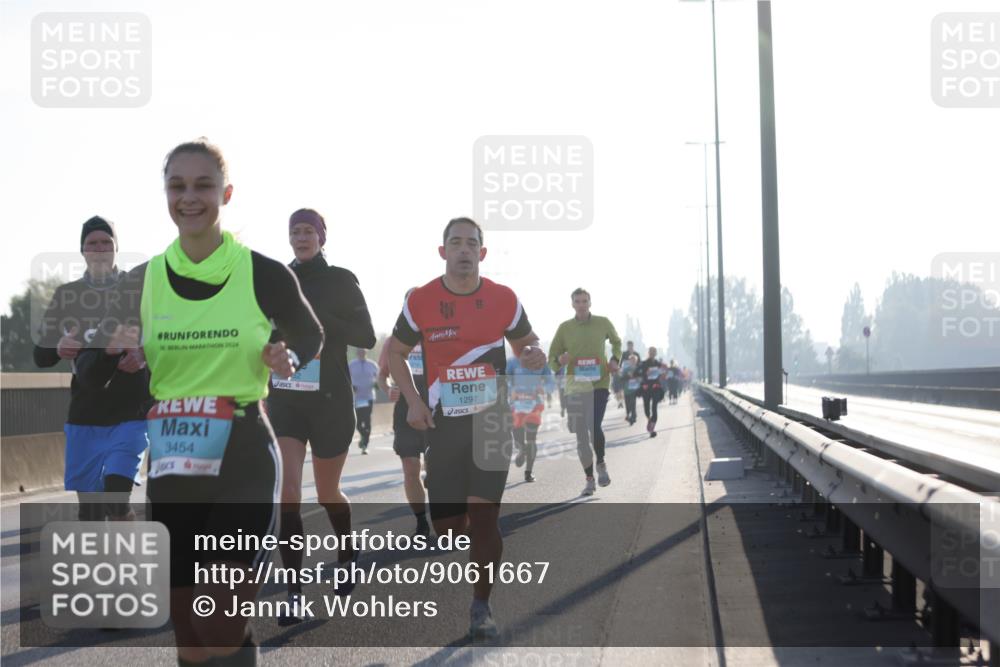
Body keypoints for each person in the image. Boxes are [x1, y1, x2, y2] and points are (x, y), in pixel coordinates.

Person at [77, 138, 323, 666]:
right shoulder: (141, 283)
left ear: (226, 193)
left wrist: (288, 356)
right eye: (177, 186)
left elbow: (310, 334)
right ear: (166, 194)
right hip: (172, 459)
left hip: (242, 454)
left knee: (221, 620)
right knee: (188, 629)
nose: (190, 198)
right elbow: (88, 370)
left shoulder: (262, 272)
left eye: (203, 185)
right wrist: (109, 350)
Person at [386, 217, 546, 640]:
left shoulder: (503, 298)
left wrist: (534, 355)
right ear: (442, 251)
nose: (463, 250)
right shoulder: (421, 300)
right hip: (443, 424)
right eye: (455, 243)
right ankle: (461, 514)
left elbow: (529, 343)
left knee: (485, 518)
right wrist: (414, 402)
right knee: (450, 528)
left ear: (482, 252)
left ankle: (481, 606)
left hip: (491, 421)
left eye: (471, 243)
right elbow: (396, 352)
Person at [266, 208, 375, 625]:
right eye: (295, 230)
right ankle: (294, 593)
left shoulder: (341, 280)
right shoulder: (277, 280)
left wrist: (311, 315)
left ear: (322, 237)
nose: (301, 236)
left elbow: (364, 335)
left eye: (309, 230)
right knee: (288, 491)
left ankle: (346, 549)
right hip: (286, 397)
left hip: (330, 399)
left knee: (328, 492)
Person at [33, 216, 150, 521]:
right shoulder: (67, 295)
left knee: (115, 497)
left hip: (129, 413)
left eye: (105, 242)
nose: (99, 249)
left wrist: (144, 355)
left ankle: (126, 559)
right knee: (92, 511)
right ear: (82, 251)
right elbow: (40, 355)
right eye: (92, 244)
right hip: (85, 414)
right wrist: (58, 346)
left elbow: (165, 337)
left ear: (116, 248)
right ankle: (104, 565)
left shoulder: (138, 288)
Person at [548, 288, 621, 496]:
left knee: (593, 425)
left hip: (599, 383)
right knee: (581, 434)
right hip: (575, 386)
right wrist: (558, 362)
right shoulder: (564, 328)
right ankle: (589, 479)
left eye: (585, 301)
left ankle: (601, 463)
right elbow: (552, 357)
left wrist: (615, 359)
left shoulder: (603, 322)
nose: (581, 304)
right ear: (572, 304)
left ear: (590, 303)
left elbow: (617, 342)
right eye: (578, 301)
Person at [377, 313, 431, 538]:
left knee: (436, 470)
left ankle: (444, 511)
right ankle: (421, 520)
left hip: (435, 408)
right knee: (411, 468)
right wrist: (388, 389)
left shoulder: (437, 337)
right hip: (405, 411)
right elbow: (382, 376)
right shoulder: (393, 341)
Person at [506, 354, 555, 483]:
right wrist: (511, 390)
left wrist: (543, 389)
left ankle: (529, 472)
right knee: (518, 437)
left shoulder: (541, 361)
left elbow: (551, 382)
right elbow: (504, 379)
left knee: (531, 439)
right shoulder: (512, 362)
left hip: (535, 404)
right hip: (517, 404)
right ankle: (522, 449)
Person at [349, 347, 379, 454]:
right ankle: (362, 436)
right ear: (357, 352)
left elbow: (379, 378)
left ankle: (365, 444)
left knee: (367, 421)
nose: (361, 353)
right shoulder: (351, 365)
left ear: (366, 352)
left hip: (369, 397)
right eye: (359, 351)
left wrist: (377, 384)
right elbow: (346, 378)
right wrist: (351, 386)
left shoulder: (372, 365)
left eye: (363, 351)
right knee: (357, 421)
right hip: (356, 398)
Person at [637, 347, 666, 437]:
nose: (652, 353)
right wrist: (645, 374)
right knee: (646, 409)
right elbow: (638, 373)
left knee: (654, 407)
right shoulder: (644, 364)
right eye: (651, 352)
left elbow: (663, 375)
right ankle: (649, 420)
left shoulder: (658, 364)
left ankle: (652, 428)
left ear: (656, 353)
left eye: (654, 352)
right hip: (646, 388)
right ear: (648, 353)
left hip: (656, 388)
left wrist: (663, 374)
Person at [621, 353, 640, 426]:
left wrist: (636, 377)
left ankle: (633, 417)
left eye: (634, 360)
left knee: (633, 403)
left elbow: (641, 377)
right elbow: (622, 378)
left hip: (634, 389)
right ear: (629, 361)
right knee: (627, 404)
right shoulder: (626, 369)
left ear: (636, 361)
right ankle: (629, 415)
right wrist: (627, 376)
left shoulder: (638, 369)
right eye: (631, 360)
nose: (632, 361)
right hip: (627, 389)